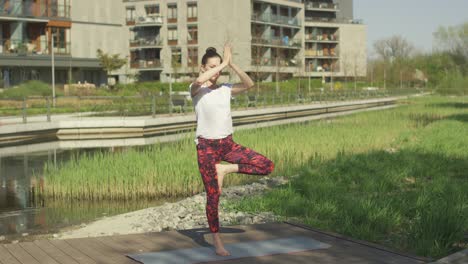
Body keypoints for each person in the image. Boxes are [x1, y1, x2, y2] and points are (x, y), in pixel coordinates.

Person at [190, 44, 274, 256]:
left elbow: (249, 83)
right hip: (206, 148)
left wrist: (232, 63)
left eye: (219, 66)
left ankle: (225, 170)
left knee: (267, 165)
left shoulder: (226, 89)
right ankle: (217, 242)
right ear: (202, 67)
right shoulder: (196, 90)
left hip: (227, 145)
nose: (217, 70)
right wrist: (224, 63)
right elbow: (200, 80)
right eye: (212, 66)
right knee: (213, 196)